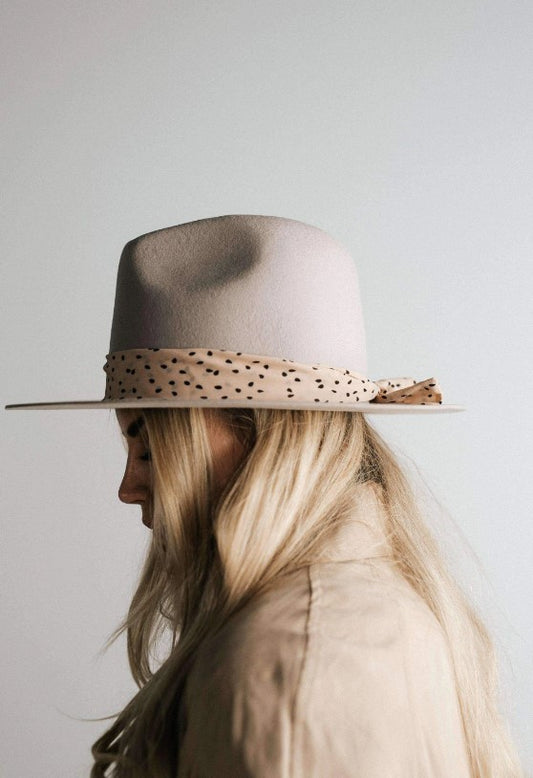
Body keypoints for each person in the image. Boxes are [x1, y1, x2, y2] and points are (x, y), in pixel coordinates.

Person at [5, 215, 523, 777]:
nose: (128, 489)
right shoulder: (352, 613)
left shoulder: (294, 663)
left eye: (149, 448)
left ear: (259, 438)